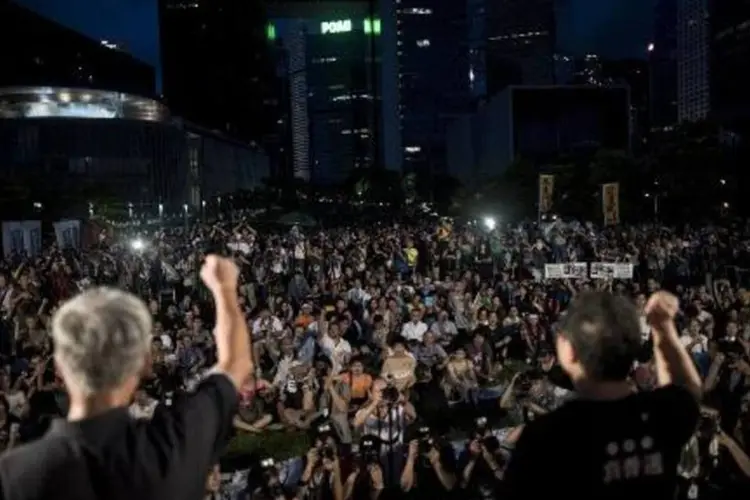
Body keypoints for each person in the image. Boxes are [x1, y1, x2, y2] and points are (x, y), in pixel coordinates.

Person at [0, 255, 252, 500]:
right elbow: (236, 363)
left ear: (59, 367)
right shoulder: (173, 448)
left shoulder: (13, 475)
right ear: (144, 362)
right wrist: (224, 289)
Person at [502, 291, 702, 500]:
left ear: (568, 354)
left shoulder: (544, 435)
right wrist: (663, 329)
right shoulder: (664, 413)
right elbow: (692, 389)